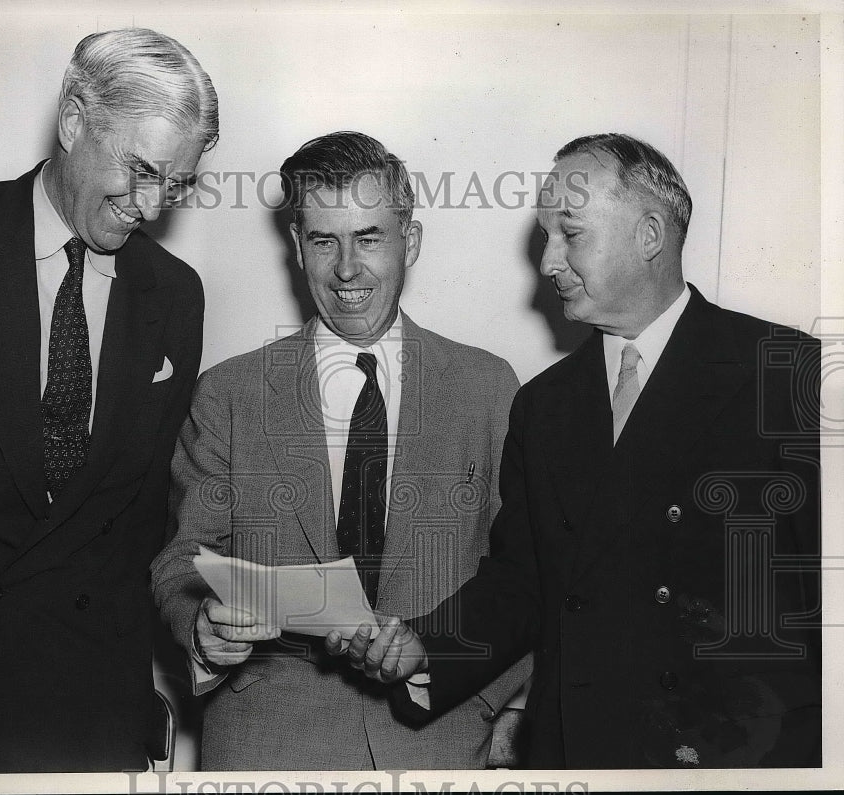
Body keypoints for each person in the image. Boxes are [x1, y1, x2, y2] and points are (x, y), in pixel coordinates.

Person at [334, 133, 822, 769]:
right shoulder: (544, 405)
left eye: (571, 235)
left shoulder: (785, 375)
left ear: (649, 235)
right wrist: (428, 647)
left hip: (735, 758)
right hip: (580, 753)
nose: (548, 262)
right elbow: (523, 582)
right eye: (545, 237)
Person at [0, 28, 217, 773]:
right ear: (74, 120)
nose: (152, 206)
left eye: (176, 184)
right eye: (141, 170)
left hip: (86, 713)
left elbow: (142, 522)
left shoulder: (175, 296)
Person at [151, 131, 532, 770]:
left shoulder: (489, 388)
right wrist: (204, 629)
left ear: (410, 241)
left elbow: (525, 574)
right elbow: (182, 559)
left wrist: (514, 704)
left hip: (443, 741)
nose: (347, 268)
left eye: (370, 237)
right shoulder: (229, 394)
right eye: (325, 240)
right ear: (297, 246)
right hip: (265, 749)